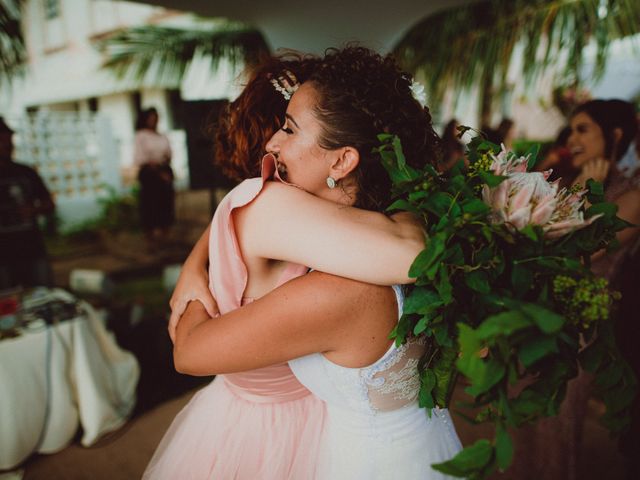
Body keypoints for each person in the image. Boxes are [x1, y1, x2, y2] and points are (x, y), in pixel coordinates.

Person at [156, 47, 462, 479]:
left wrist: (194, 272)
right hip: (410, 442)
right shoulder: (387, 222)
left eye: (289, 128)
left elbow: (414, 255)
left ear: (341, 159)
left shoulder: (350, 272)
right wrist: (195, 268)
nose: (271, 144)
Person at [509, 99, 640, 480]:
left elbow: (578, 253)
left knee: (554, 426)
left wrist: (586, 193)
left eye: (584, 129)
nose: (572, 138)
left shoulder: (631, 198)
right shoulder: (568, 180)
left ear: (615, 135)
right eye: (571, 130)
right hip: (532, 314)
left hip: (576, 331)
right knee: (521, 420)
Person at [0, 117, 55, 290]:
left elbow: (49, 204)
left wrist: (33, 209)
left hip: (32, 249)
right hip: (3, 255)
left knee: (44, 295)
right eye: (3, 141)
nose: (8, 146)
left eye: (9, 141)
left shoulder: (26, 172)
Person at [133, 107, 174, 249]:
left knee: (165, 204)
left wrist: (166, 170)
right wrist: (158, 172)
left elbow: (168, 154)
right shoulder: (141, 136)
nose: (154, 120)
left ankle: (164, 238)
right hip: (149, 174)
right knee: (150, 205)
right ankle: (150, 240)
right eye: (151, 117)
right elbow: (141, 158)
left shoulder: (162, 136)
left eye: (155, 117)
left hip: (164, 170)